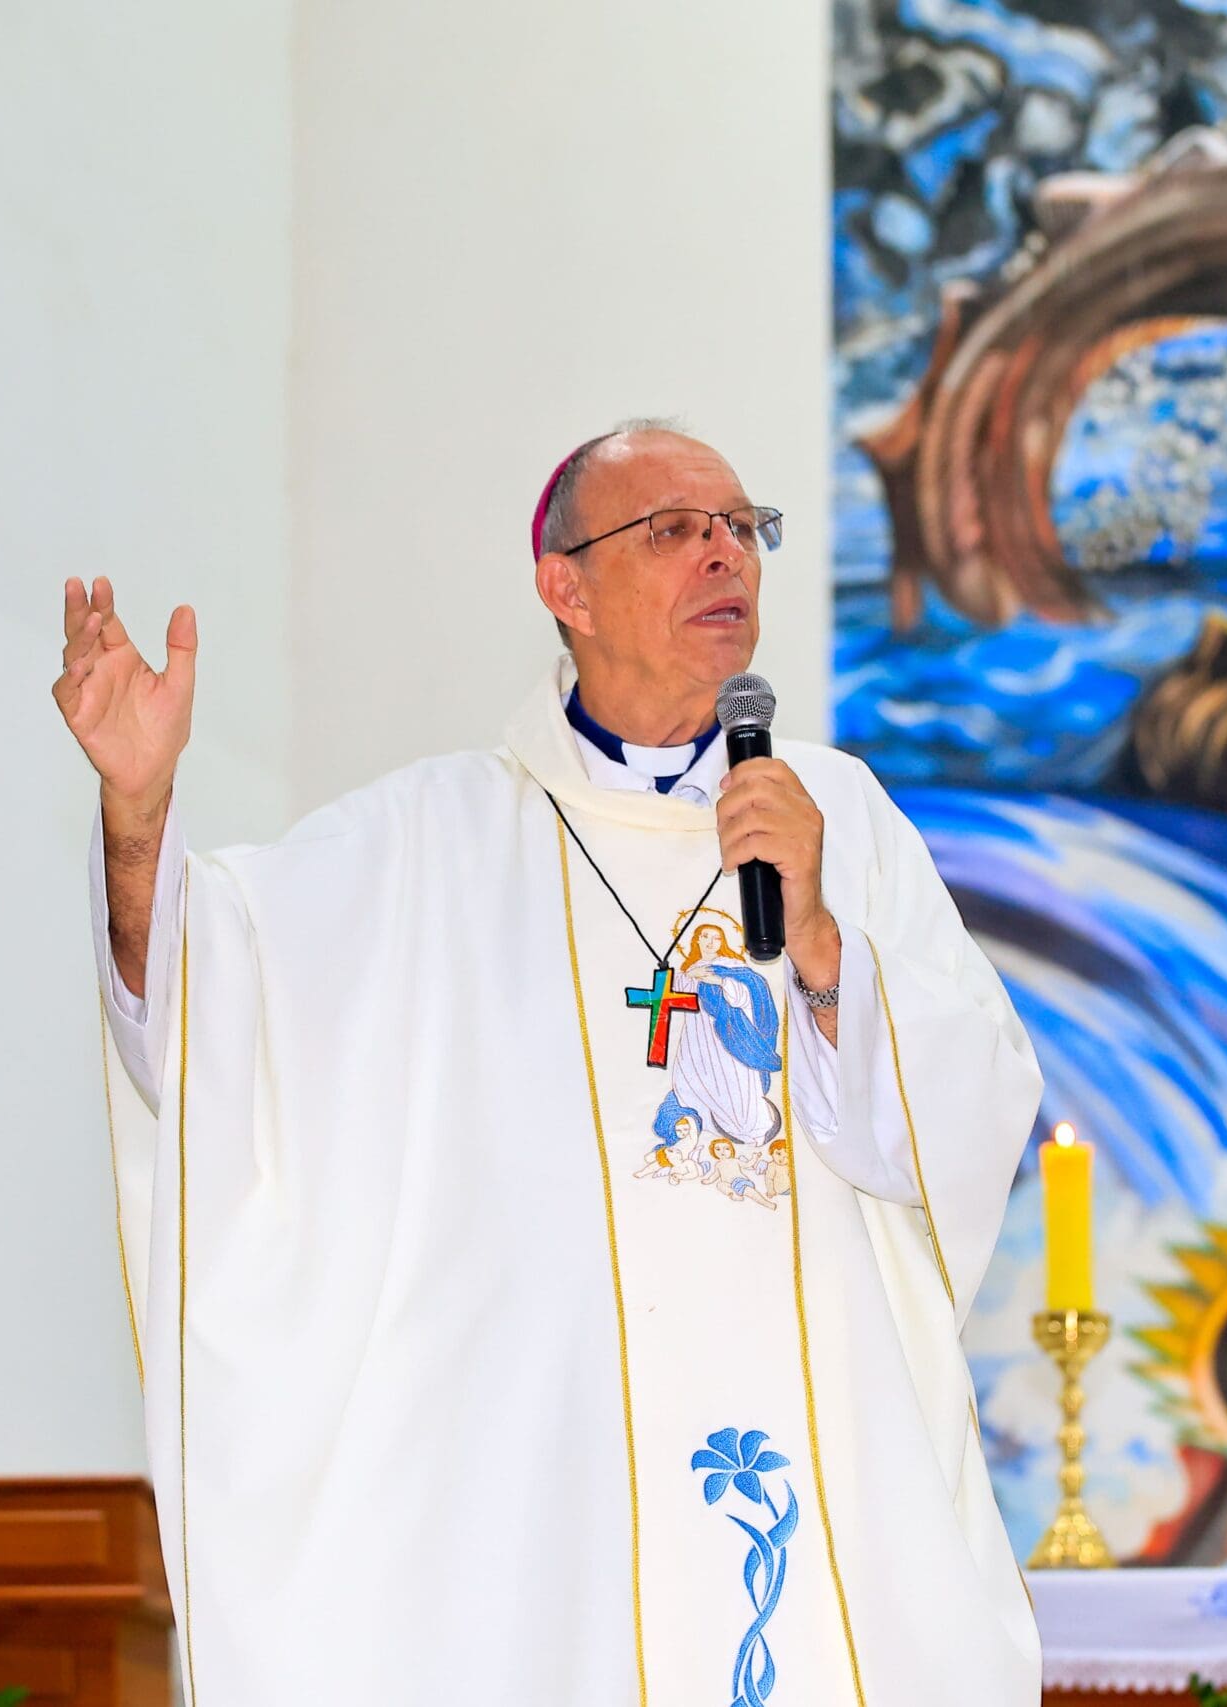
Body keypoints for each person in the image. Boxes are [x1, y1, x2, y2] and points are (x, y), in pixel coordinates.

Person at [58, 423, 1042, 1704]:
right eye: (675, 530)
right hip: (535, 1501)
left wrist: (816, 939)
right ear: (563, 586)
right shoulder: (432, 840)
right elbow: (201, 1022)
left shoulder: (837, 814)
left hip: (817, 1474)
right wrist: (138, 817)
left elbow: (970, 1105)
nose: (725, 556)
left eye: (742, 528)